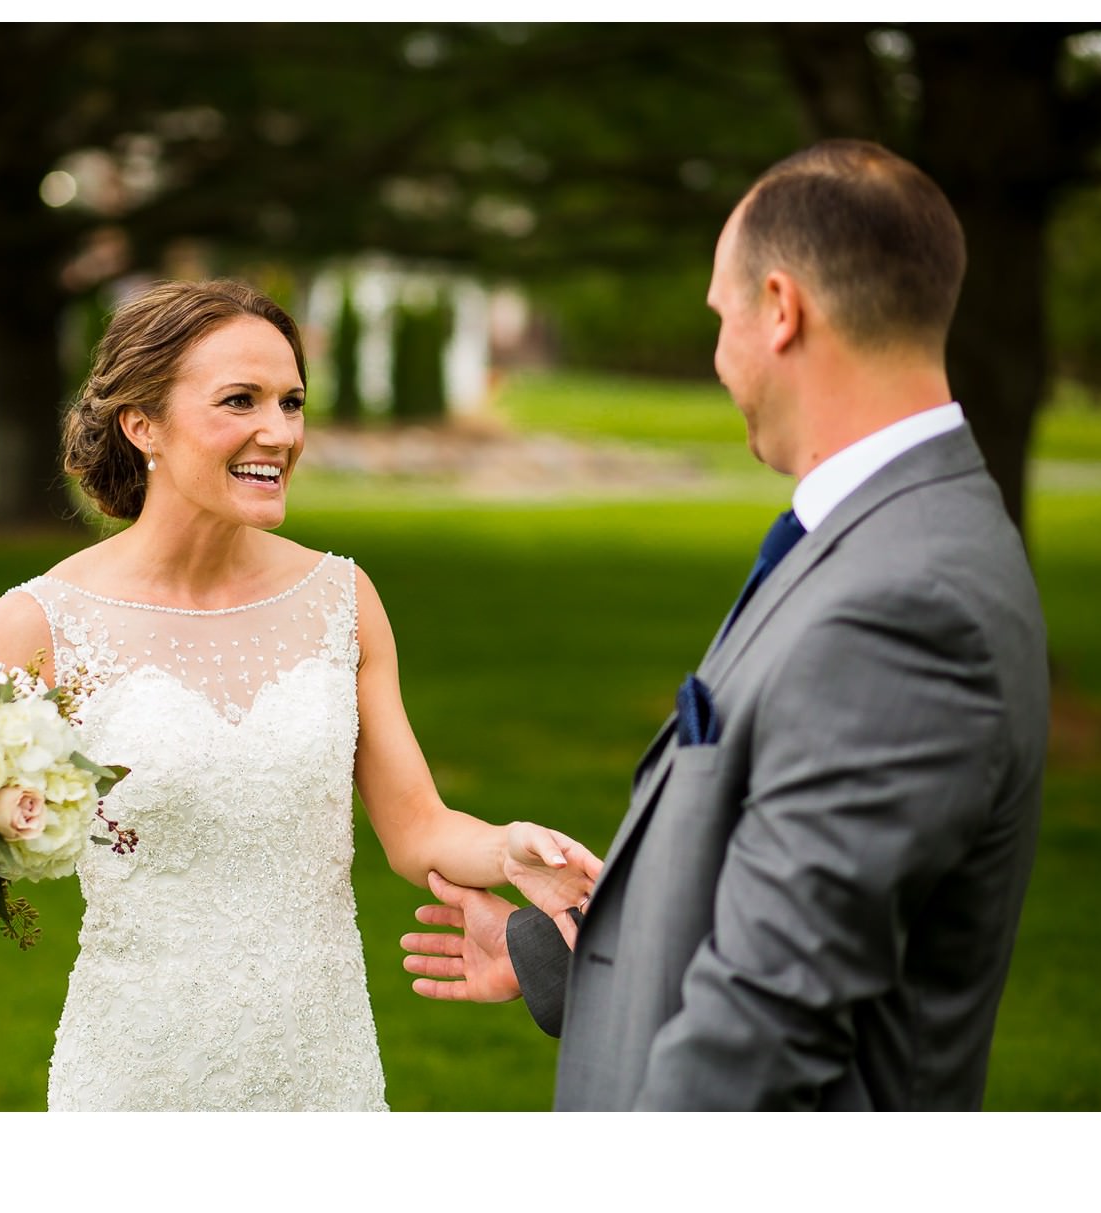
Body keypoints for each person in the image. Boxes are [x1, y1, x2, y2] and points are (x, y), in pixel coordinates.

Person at [401, 139, 1049, 1110]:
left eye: (720, 317)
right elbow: (770, 880)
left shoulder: (905, 604)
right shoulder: (886, 533)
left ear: (779, 310)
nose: (715, 357)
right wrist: (559, 959)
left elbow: (768, 1016)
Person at [0, 278, 601, 1111]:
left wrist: (506, 847)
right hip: (133, 1069)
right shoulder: (38, 623)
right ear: (141, 423)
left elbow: (417, 828)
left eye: (292, 401)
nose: (280, 431)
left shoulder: (343, 600)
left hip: (322, 1069)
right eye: (240, 400)